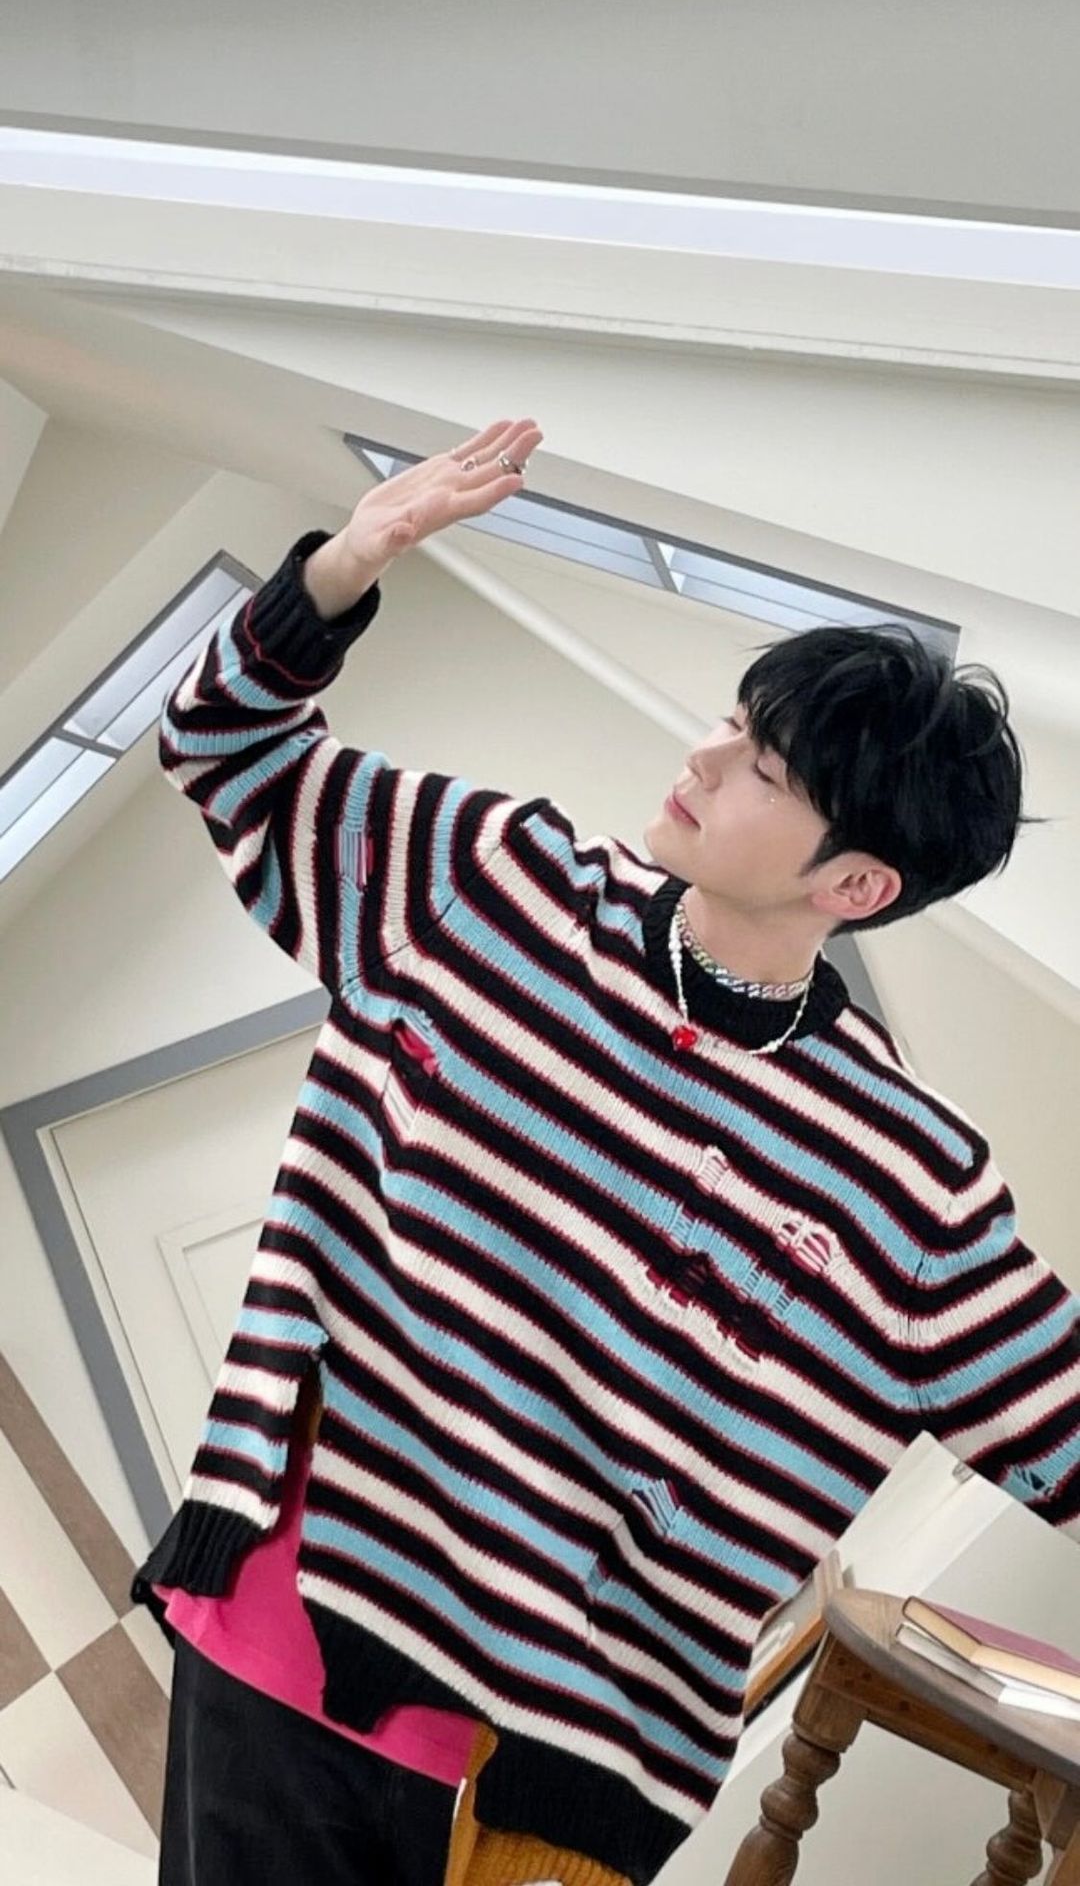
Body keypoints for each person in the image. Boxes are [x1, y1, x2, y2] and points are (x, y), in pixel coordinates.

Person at [134, 418, 1079, 1886]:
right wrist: (342, 568)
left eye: (764, 765)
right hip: (286, 1626)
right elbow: (219, 744)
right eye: (733, 721)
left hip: (541, 1790)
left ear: (856, 883)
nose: (706, 755)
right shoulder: (490, 884)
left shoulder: (913, 1181)